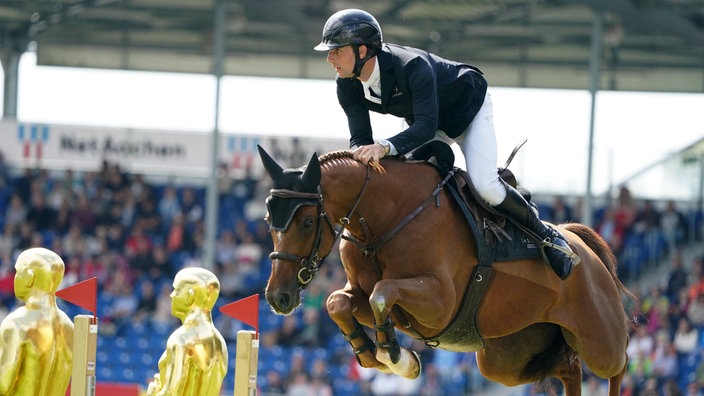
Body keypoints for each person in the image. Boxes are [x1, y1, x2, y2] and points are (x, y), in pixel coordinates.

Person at [313, 8, 578, 279]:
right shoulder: (347, 84)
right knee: (408, 184)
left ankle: (547, 237)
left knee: (486, 186)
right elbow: (360, 138)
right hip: (425, 122)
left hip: (468, 112)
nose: (329, 58)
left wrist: (383, 148)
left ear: (362, 50)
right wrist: (360, 157)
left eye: (336, 51)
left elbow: (426, 128)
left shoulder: (411, 65)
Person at [0, 247, 74, 396]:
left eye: (17, 272)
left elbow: (3, 385)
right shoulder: (70, 327)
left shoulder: (17, 323)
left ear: (29, 277)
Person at [146, 267, 228, 396]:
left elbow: (171, 392)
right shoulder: (220, 342)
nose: (171, 295)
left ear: (190, 295)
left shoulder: (182, 338)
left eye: (177, 290)